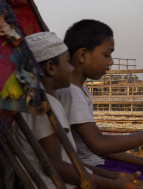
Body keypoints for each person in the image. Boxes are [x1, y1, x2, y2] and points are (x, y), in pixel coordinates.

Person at [14, 32, 143, 189]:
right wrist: (114, 184)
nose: (71, 68)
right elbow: (58, 168)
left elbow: (69, 161)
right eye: (68, 62)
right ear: (50, 68)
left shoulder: (48, 103)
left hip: (69, 187)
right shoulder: (43, 107)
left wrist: (113, 176)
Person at [56, 19, 143, 176]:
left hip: (96, 162)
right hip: (88, 169)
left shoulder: (81, 90)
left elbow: (99, 145)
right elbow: (99, 145)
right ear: (82, 55)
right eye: (106, 55)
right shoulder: (71, 93)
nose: (110, 62)